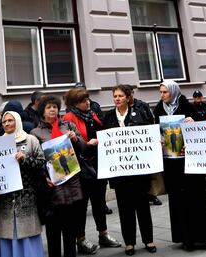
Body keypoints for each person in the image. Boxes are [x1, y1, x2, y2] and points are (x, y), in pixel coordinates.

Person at [153, 80, 206, 251]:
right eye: (160, 92)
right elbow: (155, 130)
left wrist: (193, 124)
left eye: (165, 92)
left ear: (173, 92)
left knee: (197, 197)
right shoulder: (159, 109)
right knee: (178, 200)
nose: (162, 95)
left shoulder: (187, 106)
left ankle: (205, 237)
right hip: (171, 162)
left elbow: (200, 129)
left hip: (188, 162)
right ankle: (185, 238)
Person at [62, 88, 121, 253]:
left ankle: (103, 234)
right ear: (75, 103)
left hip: (98, 164)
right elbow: (71, 145)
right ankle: (80, 239)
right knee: (81, 206)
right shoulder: (68, 118)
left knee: (99, 202)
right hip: (82, 168)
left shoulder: (93, 113)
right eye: (83, 101)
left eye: (87, 99)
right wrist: (87, 144)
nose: (88, 102)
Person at [30, 95, 89, 257]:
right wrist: (44, 178)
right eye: (49, 107)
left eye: (55, 107)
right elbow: (35, 160)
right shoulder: (35, 133)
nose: (52, 110)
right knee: (53, 230)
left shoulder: (68, 126)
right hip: (52, 187)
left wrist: (75, 139)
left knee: (70, 229)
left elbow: (84, 148)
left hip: (71, 183)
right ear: (42, 111)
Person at [102, 85, 156, 256]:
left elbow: (149, 135)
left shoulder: (139, 113)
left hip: (139, 171)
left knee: (143, 207)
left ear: (127, 97)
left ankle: (148, 240)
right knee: (125, 209)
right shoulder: (109, 117)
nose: (117, 99)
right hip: (120, 172)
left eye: (120, 96)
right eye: (114, 96)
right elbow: (104, 140)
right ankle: (129, 243)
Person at [0, 111, 45, 257]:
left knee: (26, 232)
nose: (7, 124)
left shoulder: (30, 140)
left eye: (10, 120)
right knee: (6, 233)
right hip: (5, 200)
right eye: (4, 121)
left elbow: (42, 164)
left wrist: (25, 159)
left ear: (18, 121)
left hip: (26, 197)